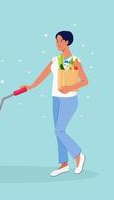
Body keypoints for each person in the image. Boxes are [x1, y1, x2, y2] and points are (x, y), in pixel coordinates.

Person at [21, 31, 88, 176]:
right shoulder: (55, 60)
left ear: (67, 42)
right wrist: (31, 86)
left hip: (69, 100)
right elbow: (43, 75)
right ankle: (63, 164)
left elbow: (84, 81)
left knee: (59, 130)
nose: (57, 44)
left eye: (60, 41)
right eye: (56, 41)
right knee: (57, 132)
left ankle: (78, 155)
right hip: (55, 99)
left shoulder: (74, 60)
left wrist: (69, 88)